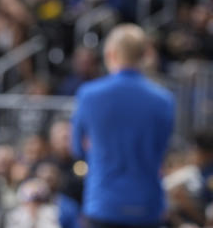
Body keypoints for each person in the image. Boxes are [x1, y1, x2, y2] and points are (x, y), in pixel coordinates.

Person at [71, 24, 175, 228]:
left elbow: (77, 148)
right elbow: (162, 150)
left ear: (110, 54)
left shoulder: (89, 95)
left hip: (103, 204)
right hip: (148, 206)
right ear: (145, 55)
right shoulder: (164, 100)